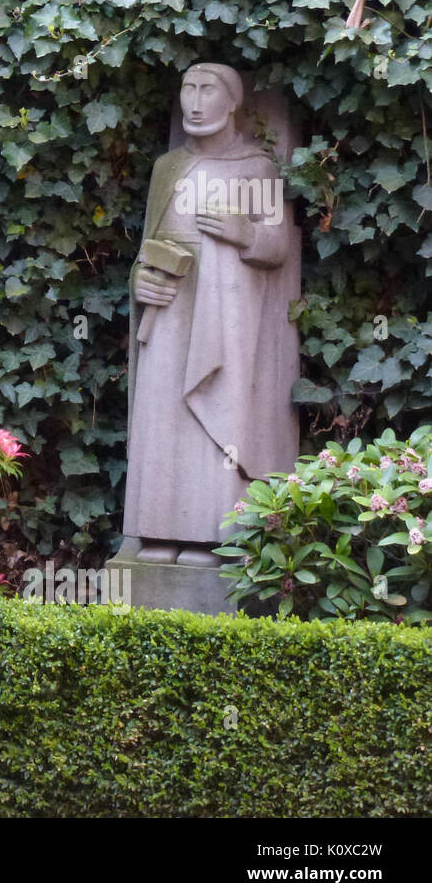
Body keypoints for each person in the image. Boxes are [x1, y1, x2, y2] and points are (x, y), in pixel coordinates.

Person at [123, 63, 300, 565]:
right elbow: (145, 246)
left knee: (216, 413)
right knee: (165, 414)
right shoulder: (167, 168)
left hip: (226, 319)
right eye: (188, 90)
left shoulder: (256, 167)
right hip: (171, 310)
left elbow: (277, 246)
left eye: (208, 91)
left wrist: (242, 231)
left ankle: (210, 531)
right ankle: (159, 529)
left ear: (233, 102)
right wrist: (140, 280)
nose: (195, 103)